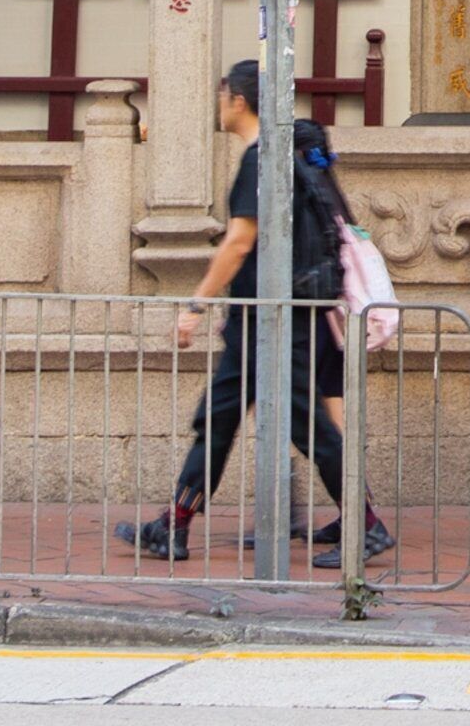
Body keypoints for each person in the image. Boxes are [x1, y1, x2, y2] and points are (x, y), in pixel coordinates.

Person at [118, 62, 386, 569]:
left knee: (310, 429)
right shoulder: (277, 159)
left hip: (278, 321)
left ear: (239, 101)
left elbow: (240, 241)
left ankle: (367, 525)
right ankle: (173, 525)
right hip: (259, 320)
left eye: (223, 96)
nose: (221, 105)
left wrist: (196, 303)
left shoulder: (262, 161)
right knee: (217, 420)